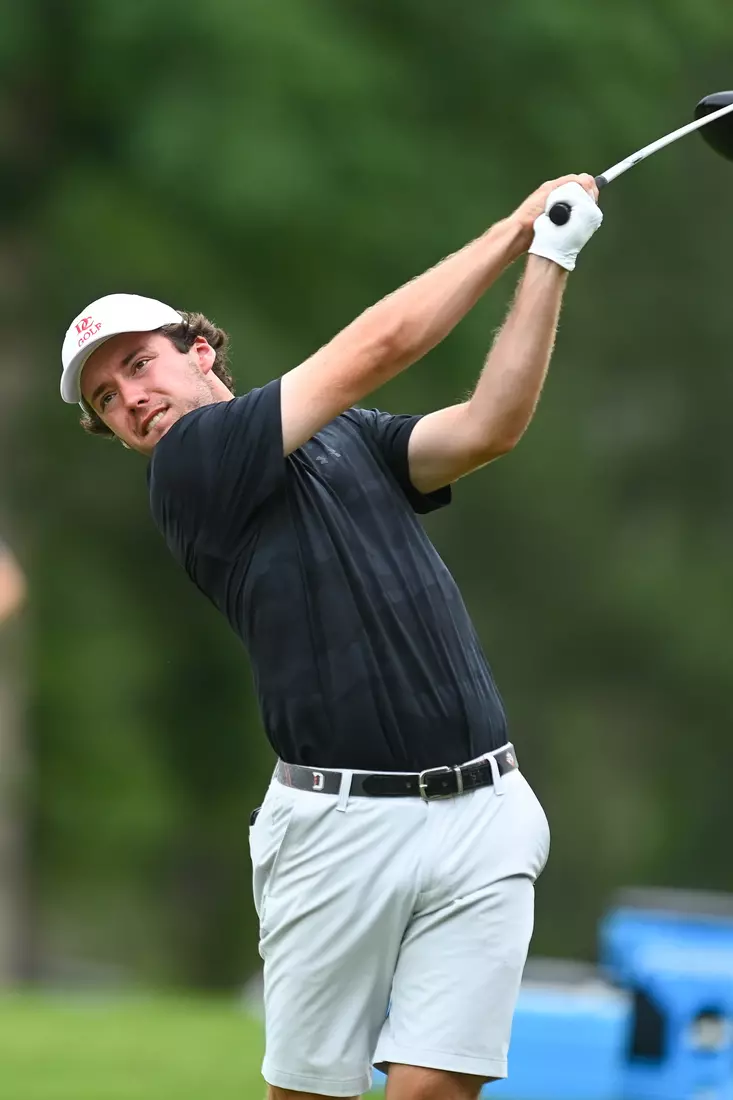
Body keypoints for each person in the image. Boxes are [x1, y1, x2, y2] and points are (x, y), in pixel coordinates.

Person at [60, 176, 603, 1100]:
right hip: (338, 828)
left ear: (199, 350)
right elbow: (382, 344)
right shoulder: (192, 469)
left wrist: (551, 258)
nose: (132, 400)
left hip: (484, 808)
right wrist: (512, 227)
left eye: (140, 365)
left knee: (437, 1090)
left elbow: (487, 427)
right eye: (108, 399)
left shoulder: (342, 437)